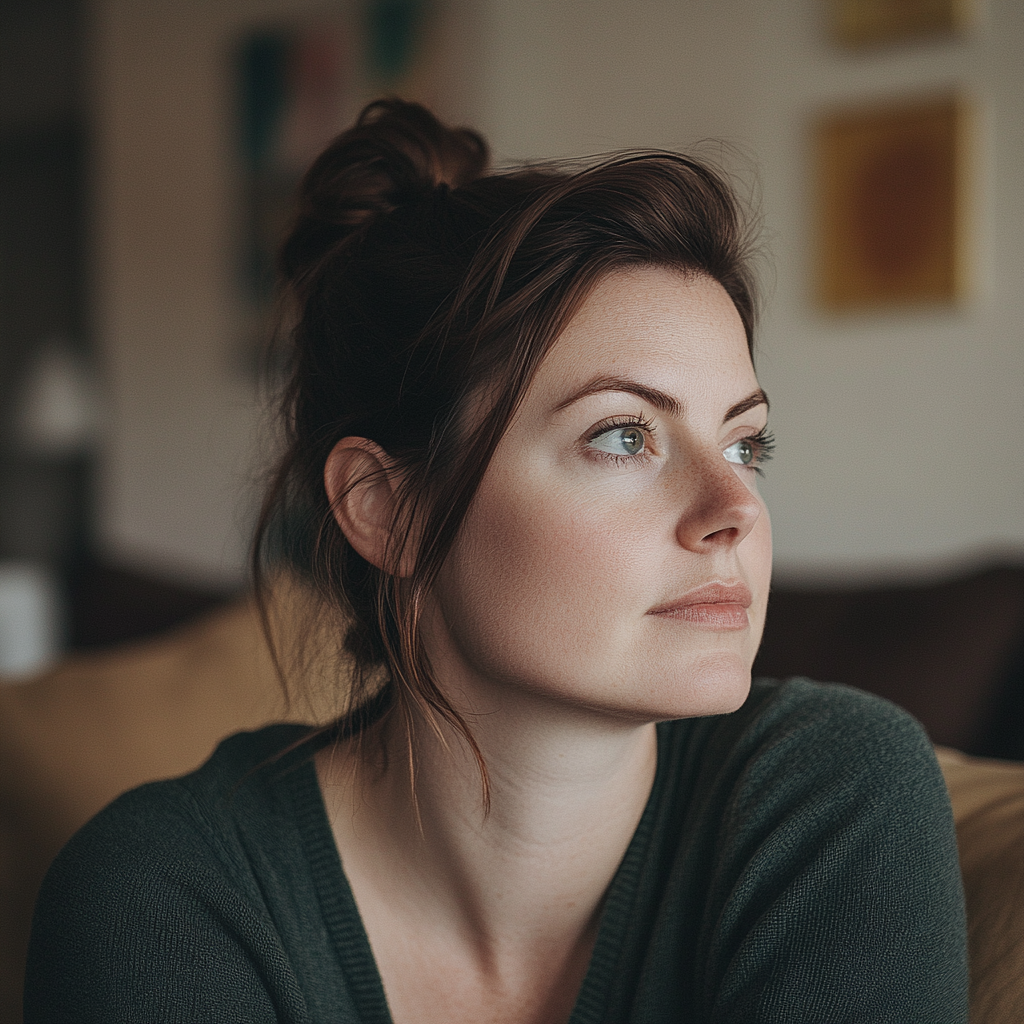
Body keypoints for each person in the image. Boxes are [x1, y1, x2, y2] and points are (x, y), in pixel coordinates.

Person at [25, 99, 968, 1023]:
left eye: (743, 445)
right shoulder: (165, 902)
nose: (736, 512)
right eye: (623, 437)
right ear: (386, 508)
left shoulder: (832, 797)